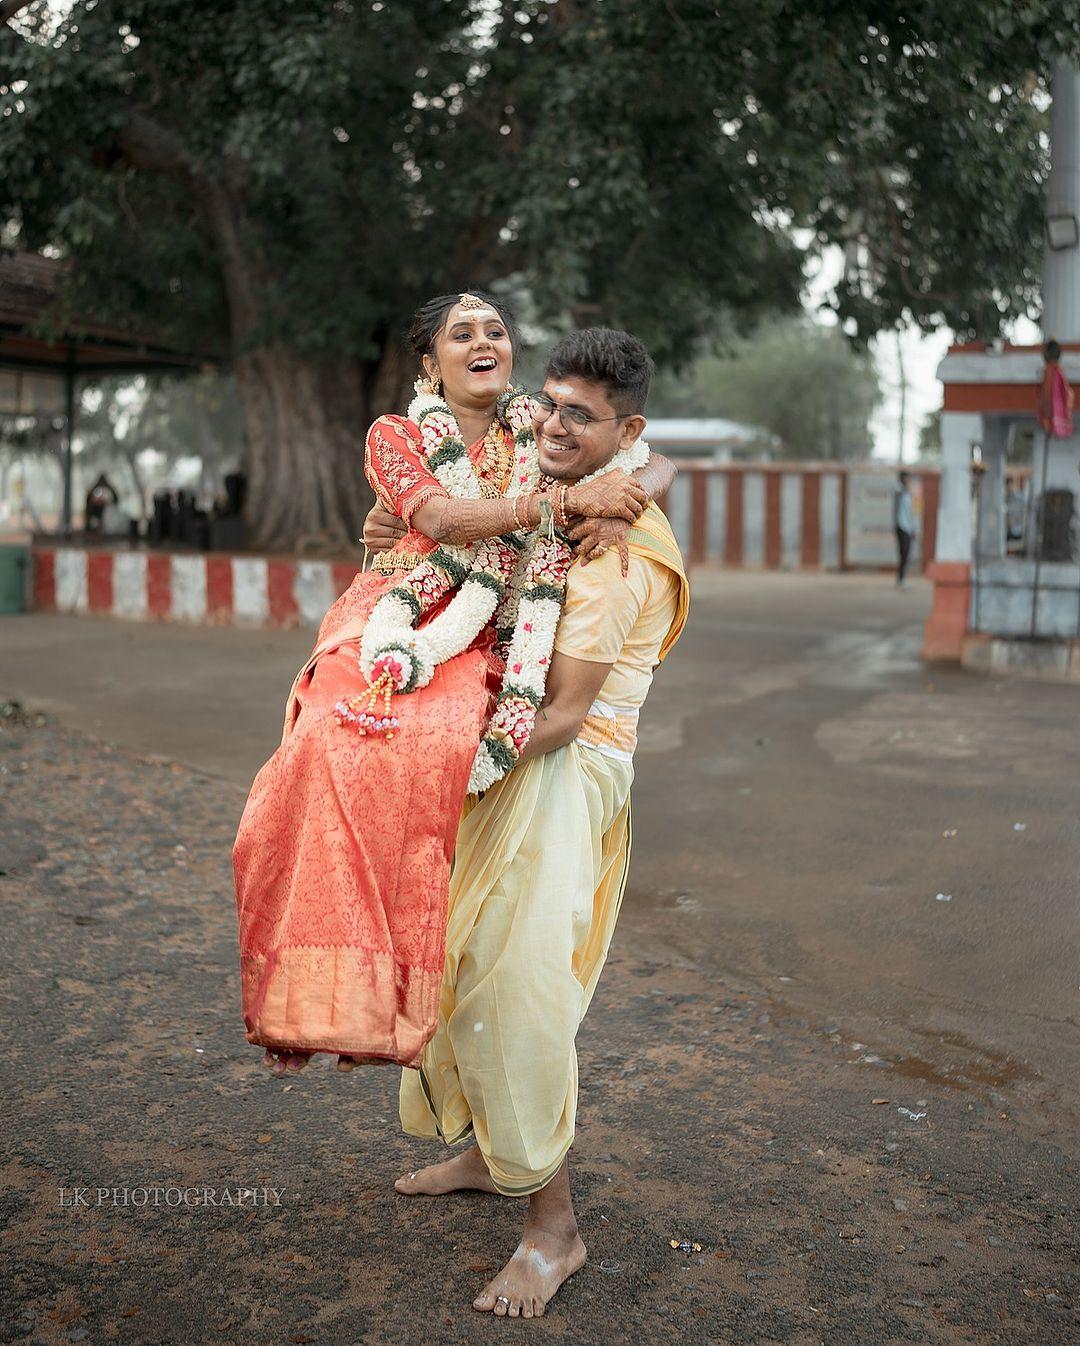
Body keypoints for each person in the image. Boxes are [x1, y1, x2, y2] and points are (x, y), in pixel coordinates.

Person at [233, 292, 676, 1076]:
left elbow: (647, 451)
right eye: (461, 333)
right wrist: (571, 503)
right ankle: (320, 996)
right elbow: (436, 518)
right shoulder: (396, 433)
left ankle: (389, 1001)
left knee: (431, 763)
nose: (483, 341)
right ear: (428, 364)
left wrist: (629, 499)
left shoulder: (538, 423)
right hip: (392, 617)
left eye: (496, 331)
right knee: (323, 747)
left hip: (487, 636)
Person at [388, 328, 688, 1319]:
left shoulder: (616, 549)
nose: (555, 424)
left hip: (560, 769)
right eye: (550, 402)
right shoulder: (566, 496)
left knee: (519, 988)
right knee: (461, 956)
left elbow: (557, 712)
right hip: (508, 760)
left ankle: (554, 1230)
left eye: (582, 415)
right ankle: (486, 1152)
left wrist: (443, 774)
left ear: (626, 431)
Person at [893, 470, 915, 586]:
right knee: (903, 553)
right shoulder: (899, 490)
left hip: (908, 528)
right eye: (906, 478)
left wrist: (913, 529)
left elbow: (911, 513)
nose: (908, 481)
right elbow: (898, 492)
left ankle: (902, 577)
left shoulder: (907, 493)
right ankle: (901, 578)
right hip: (901, 526)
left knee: (906, 553)